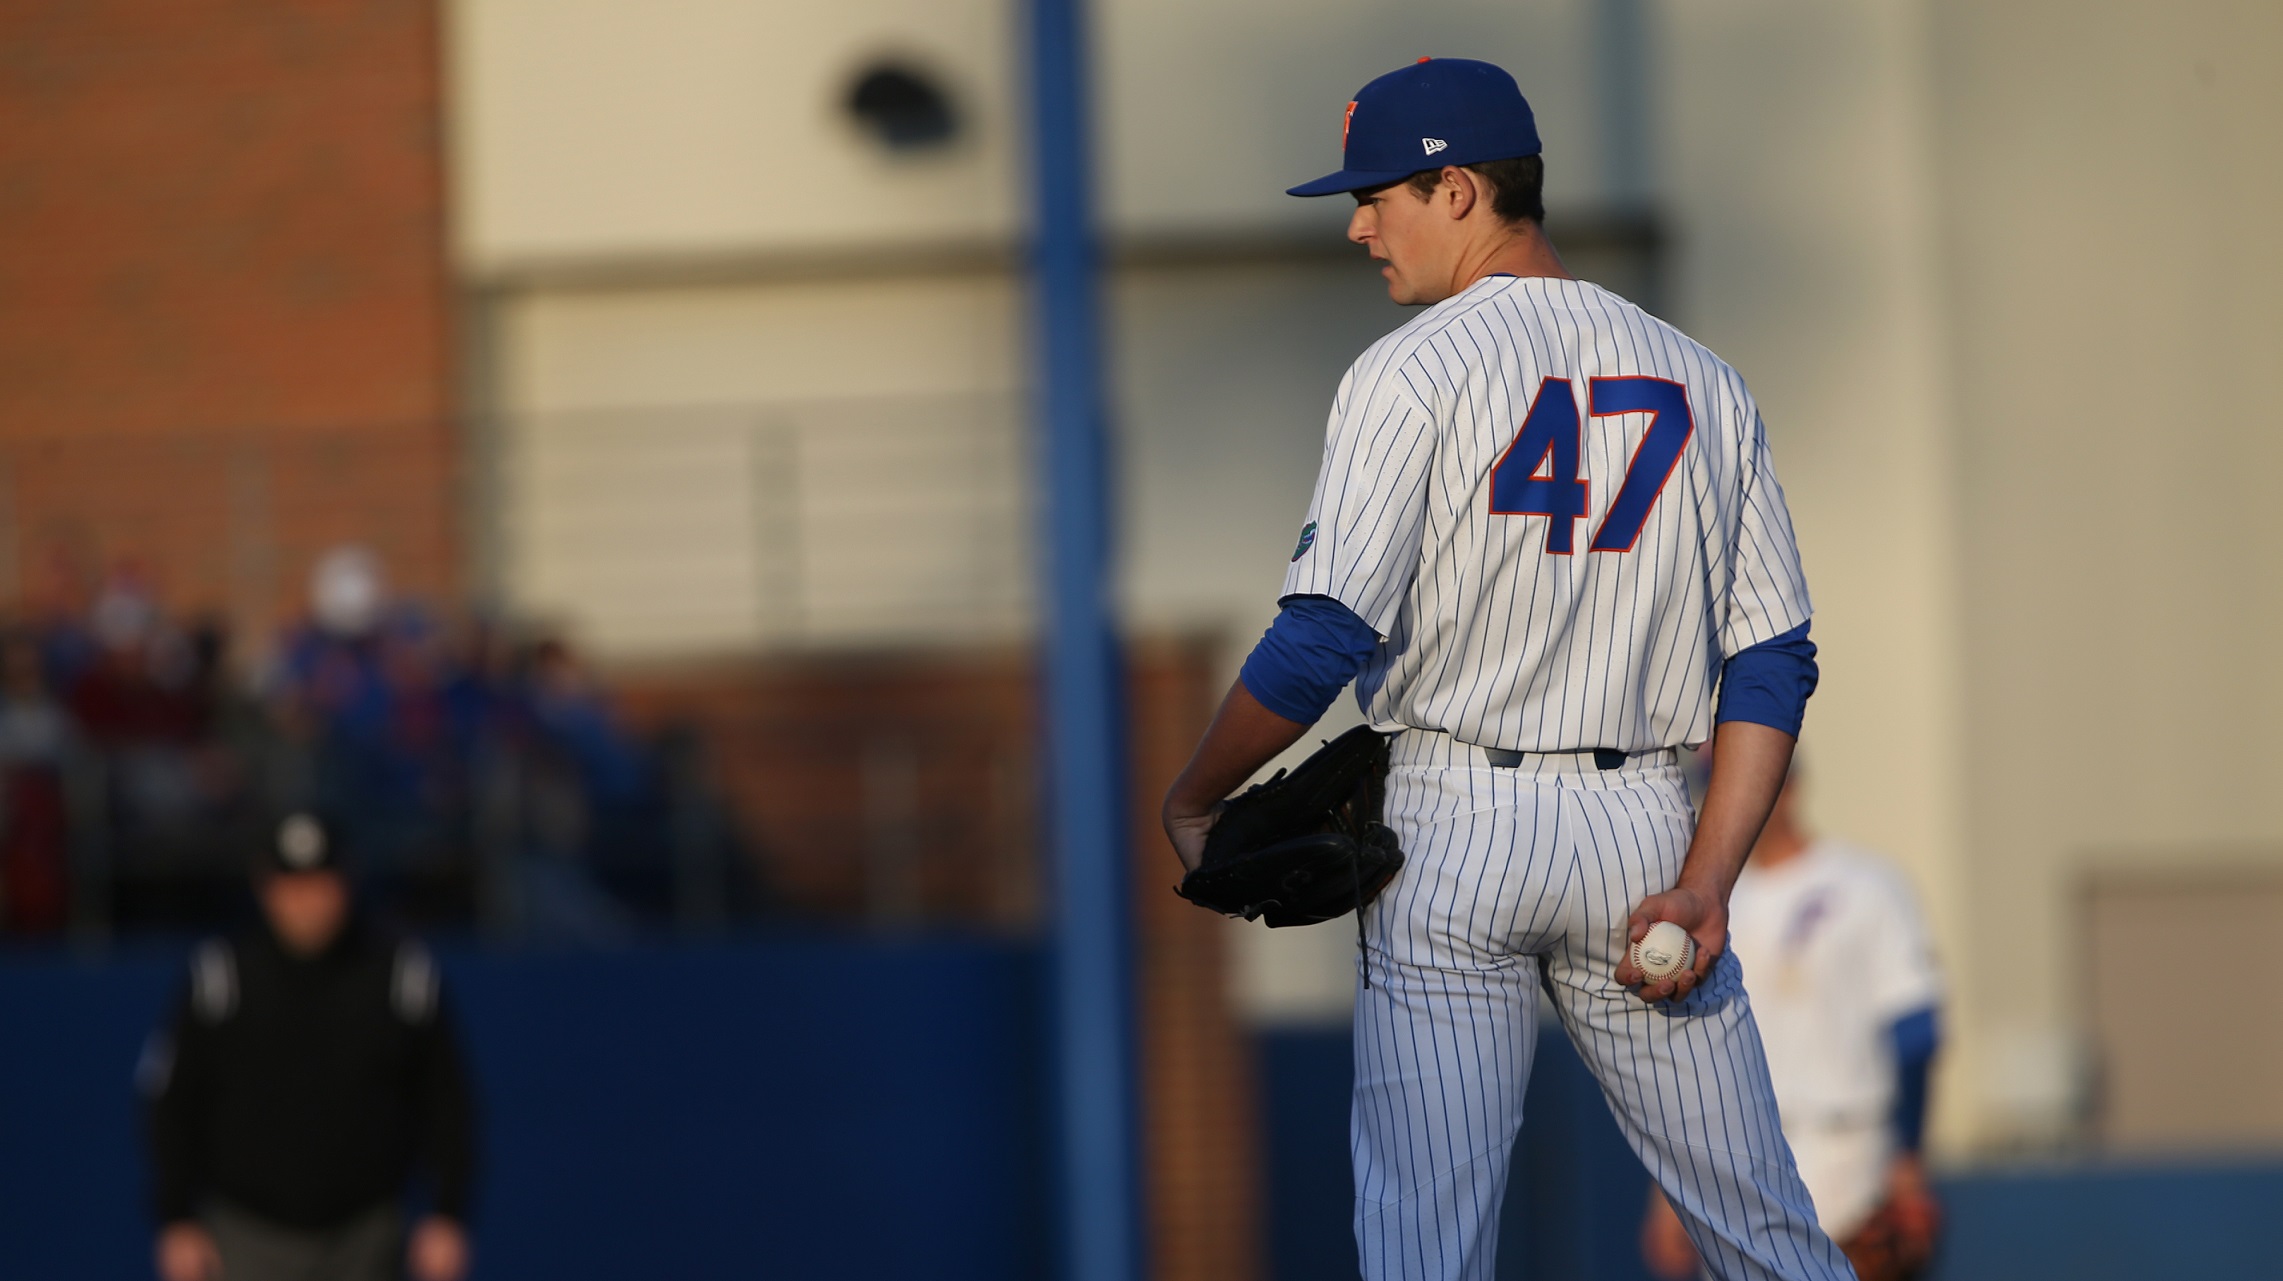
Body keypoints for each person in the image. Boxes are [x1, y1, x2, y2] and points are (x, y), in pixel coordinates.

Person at [1161, 59, 1844, 1280]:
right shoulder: (1705, 377)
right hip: (1644, 828)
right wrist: (1708, 881)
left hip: (1454, 828)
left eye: (1381, 194)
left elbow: (1323, 637)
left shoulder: (1408, 371)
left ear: (1461, 188)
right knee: (1769, 1238)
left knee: (1426, 1252)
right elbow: (1771, 660)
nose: (1361, 225)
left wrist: (1197, 792)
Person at [140, 812, 476, 1281]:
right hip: (246, 1233)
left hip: (366, 1233)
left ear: (347, 881)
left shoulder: (401, 973)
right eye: (291, 886)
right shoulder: (220, 977)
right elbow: (170, 1102)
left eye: (320, 884)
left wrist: (448, 1212)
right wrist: (176, 1217)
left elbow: (447, 1098)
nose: (306, 903)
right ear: (264, 886)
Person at [1643, 766, 1943, 1281]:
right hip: (1734, 1154)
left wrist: (1909, 1156)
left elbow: (1914, 1028)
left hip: (1844, 1148)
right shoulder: (1711, 903)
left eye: (1736, 779)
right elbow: (1681, 1054)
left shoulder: (1865, 886)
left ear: (1789, 783)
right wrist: (1666, 1189)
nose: (1727, 797)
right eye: (1712, 786)